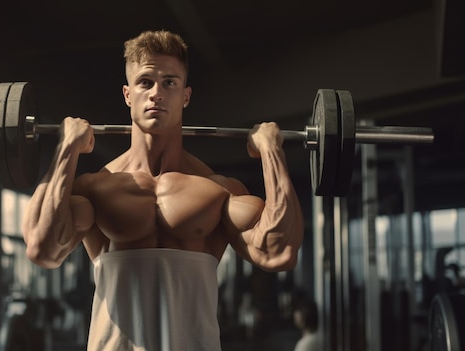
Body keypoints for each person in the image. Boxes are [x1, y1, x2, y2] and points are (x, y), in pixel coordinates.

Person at [23, 30, 304, 351]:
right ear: (128, 95)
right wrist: (66, 149)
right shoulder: (95, 189)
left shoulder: (218, 191)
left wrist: (272, 152)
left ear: (185, 95)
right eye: (145, 82)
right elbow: (42, 250)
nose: (157, 93)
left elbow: (279, 252)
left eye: (169, 82)